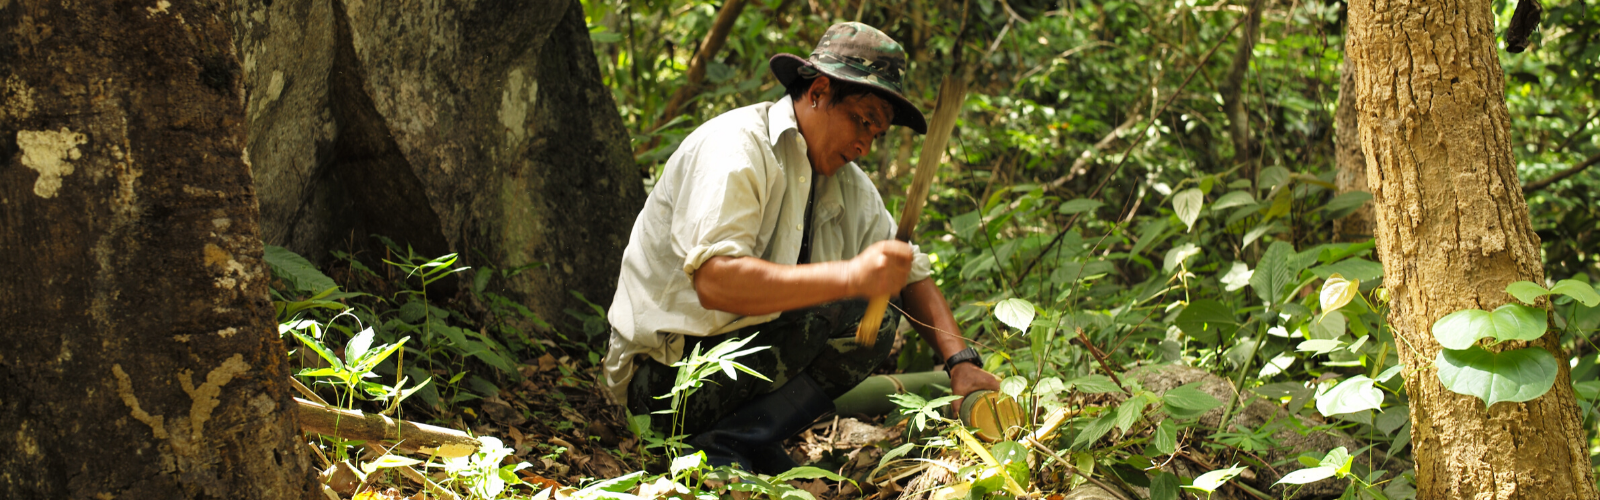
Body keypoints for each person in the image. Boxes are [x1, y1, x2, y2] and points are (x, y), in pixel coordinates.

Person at [603, 22, 999, 473]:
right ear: (818, 92)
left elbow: (912, 274)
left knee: (877, 320)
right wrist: (852, 275)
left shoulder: (849, 185)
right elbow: (715, 282)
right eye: (863, 121)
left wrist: (960, 362)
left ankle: (736, 441)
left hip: (732, 372)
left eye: (876, 134)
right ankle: (709, 445)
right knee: (847, 307)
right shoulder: (736, 148)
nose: (865, 145)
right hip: (662, 386)